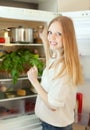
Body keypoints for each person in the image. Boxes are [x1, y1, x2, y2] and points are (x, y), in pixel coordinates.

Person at [27, 16, 84, 130]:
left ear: (68, 37)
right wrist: (44, 40)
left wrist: (34, 81)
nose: (52, 37)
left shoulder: (65, 69)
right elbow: (50, 60)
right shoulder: (57, 56)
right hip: (51, 124)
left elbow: (53, 105)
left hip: (56, 127)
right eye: (50, 32)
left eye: (59, 34)